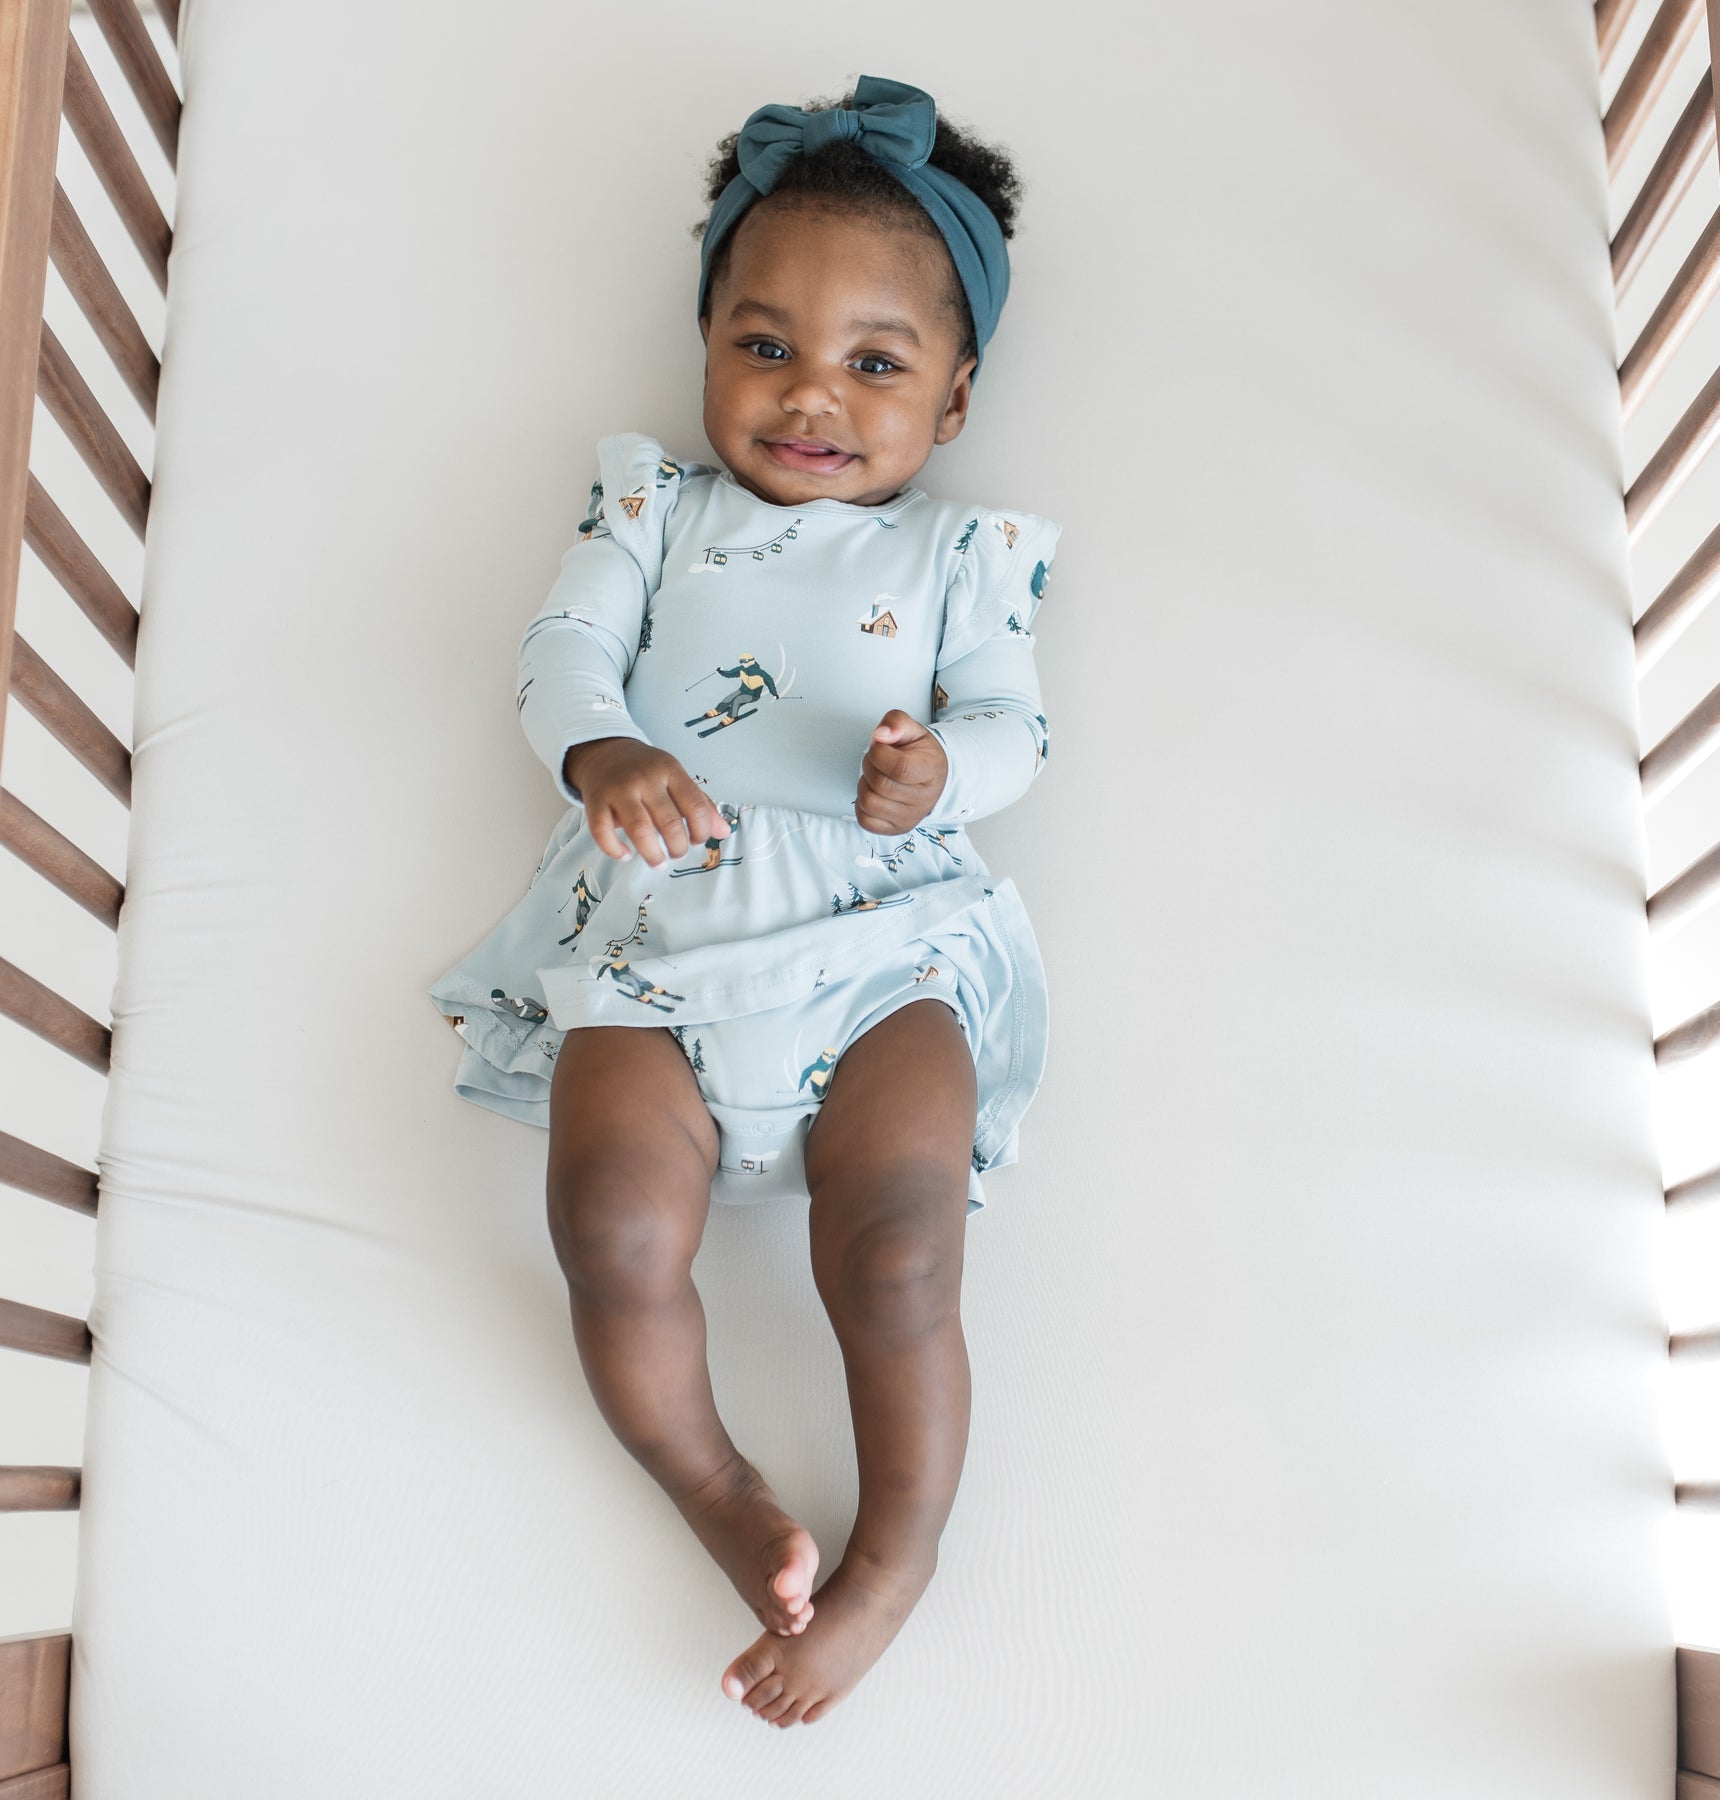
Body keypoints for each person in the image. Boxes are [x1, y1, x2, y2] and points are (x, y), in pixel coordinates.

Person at [427, 73, 1059, 1729]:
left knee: (903, 1256)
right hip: (657, 933)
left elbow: (1015, 725)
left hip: (880, 947)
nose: (811, 395)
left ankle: (892, 1565)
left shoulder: (958, 559)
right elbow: (561, 651)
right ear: (706, 342)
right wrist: (604, 751)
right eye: (764, 343)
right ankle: (714, 1485)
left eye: (876, 364)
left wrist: (942, 775)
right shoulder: (654, 509)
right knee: (610, 1230)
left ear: (956, 397)